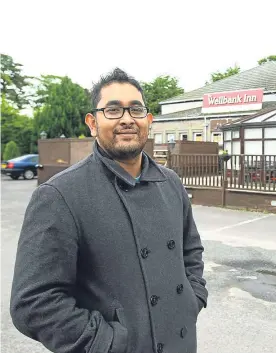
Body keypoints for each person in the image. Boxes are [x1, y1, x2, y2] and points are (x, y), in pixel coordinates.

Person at [10, 68, 208, 353]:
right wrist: (108, 342)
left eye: (136, 110)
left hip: (181, 342)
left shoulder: (170, 182)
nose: (127, 119)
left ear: (148, 120)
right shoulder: (60, 195)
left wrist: (193, 298)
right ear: (92, 122)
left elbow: (191, 250)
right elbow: (34, 302)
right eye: (113, 110)